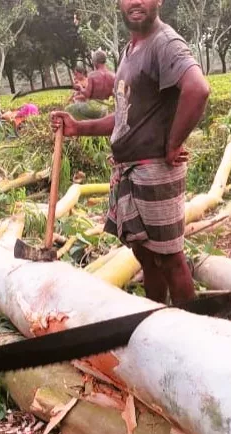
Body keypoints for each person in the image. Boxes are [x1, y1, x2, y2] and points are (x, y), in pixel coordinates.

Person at [51, 0, 210, 305]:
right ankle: (156, 319)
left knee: (169, 259)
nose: (135, 1)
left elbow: (198, 89)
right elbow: (125, 115)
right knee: (146, 256)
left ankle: (194, 333)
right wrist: (78, 128)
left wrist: (174, 142)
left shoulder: (164, 43)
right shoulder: (130, 50)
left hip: (153, 170)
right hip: (129, 170)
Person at [67, 50, 118, 120]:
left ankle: (87, 125)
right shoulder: (113, 76)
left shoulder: (92, 75)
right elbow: (114, 94)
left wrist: (80, 87)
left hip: (92, 108)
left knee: (68, 109)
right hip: (105, 108)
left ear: (95, 61)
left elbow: (87, 94)